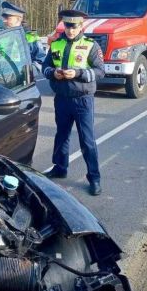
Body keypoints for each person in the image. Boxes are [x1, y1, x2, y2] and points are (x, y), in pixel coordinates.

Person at [41, 10, 104, 195]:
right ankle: (60, 168)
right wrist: (53, 73)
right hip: (62, 99)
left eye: (74, 26)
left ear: (80, 26)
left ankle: (94, 178)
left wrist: (78, 73)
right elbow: (45, 67)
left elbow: (100, 71)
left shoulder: (90, 45)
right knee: (61, 136)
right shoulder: (56, 44)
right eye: (67, 26)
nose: (70, 30)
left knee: (87, 140)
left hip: (82, 100)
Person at [1, 1, 46, 68]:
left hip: (25, 77)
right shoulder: (1, 37)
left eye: (8, 18)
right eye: (4, 18)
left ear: (19, 19)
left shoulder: (31, 37)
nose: (4, 21)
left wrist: (30, 70)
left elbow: (41, 60)